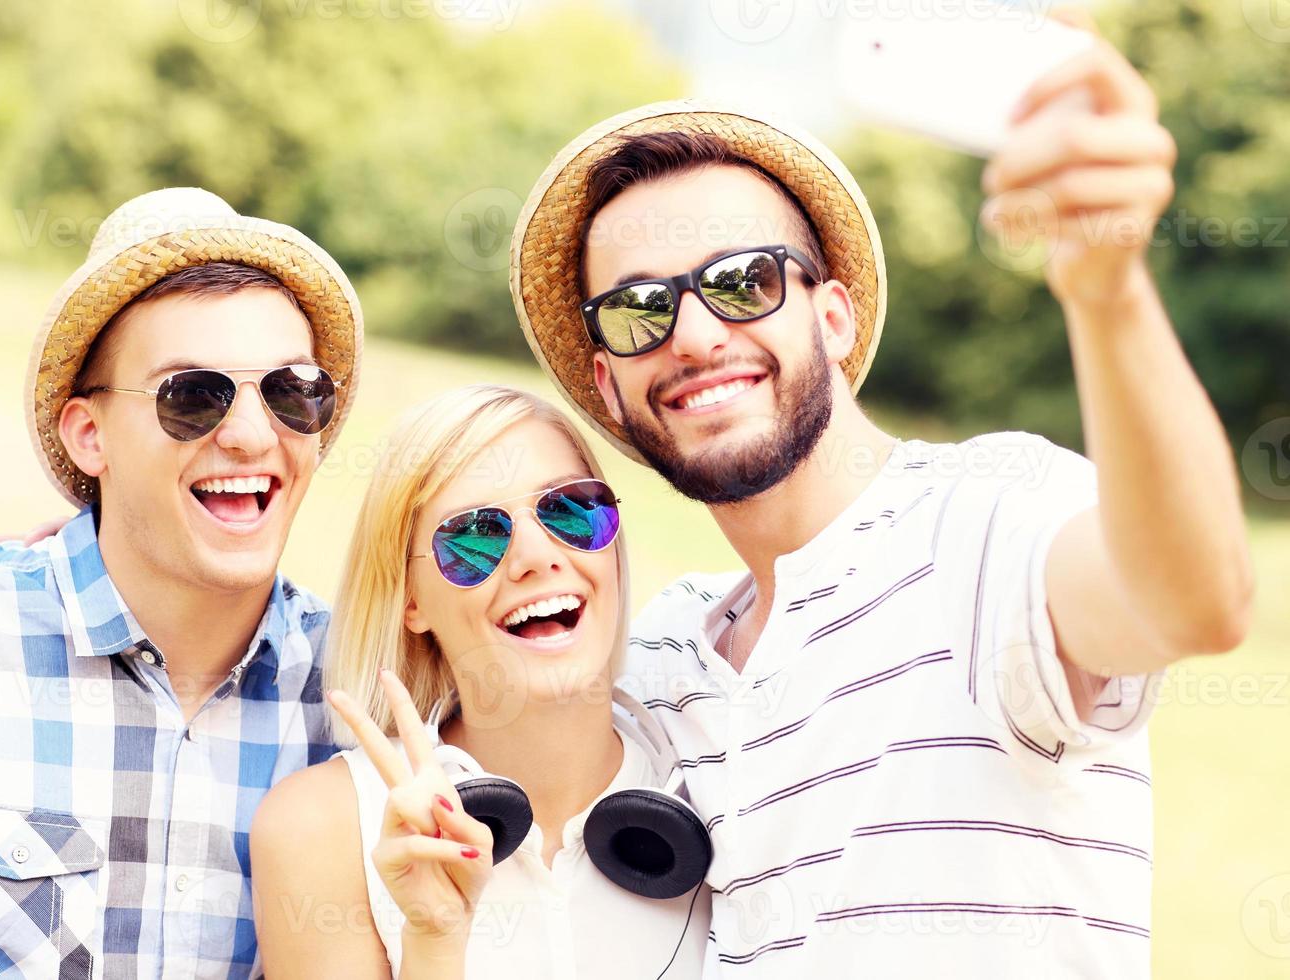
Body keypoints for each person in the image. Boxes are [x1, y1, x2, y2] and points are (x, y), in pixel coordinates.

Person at [508, 14, 1254, 978]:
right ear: (609, 384)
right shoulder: (662, 655)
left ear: (833, 316)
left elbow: (1192, 597)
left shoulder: (980, 521)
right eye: (639, 309)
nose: (692, 335)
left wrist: (1106, 289)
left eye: (741, 282)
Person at [0, 187, 363, 977]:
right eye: (193, 396)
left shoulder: (371, 698)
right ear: (88, 434)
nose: (250, 434)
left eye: (292, 392)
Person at [250, 384, 710, 979]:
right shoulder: (322, 827)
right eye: (474, 537)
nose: (537, 558)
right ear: (411, 600)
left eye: (571, 509)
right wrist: (435, 940)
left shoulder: (713, 782)